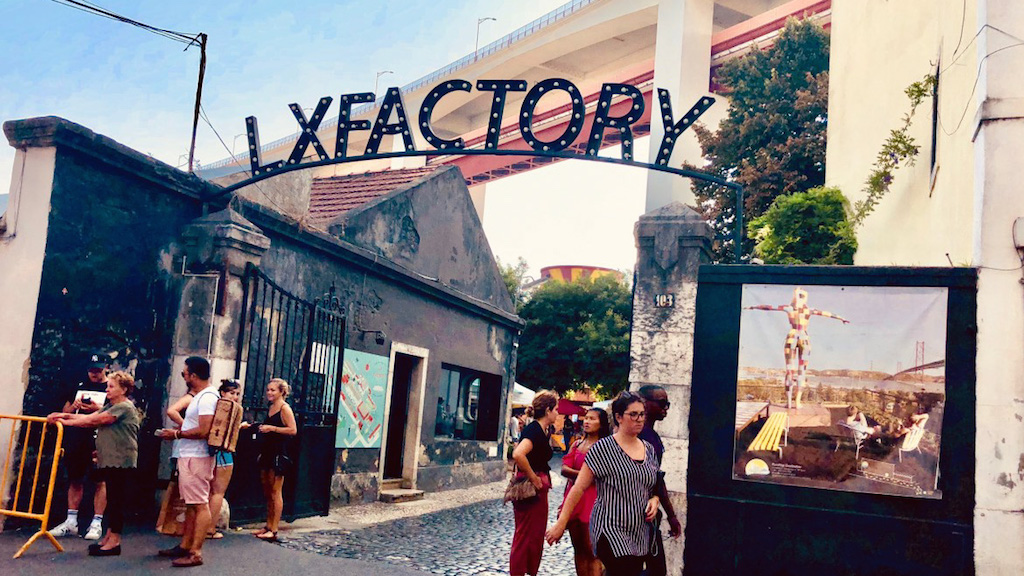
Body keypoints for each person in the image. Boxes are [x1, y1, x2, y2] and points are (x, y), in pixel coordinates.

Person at [546, 391, 661, 576]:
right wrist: (561, 523)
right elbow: (578, 487)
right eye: (633, 414)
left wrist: (654, 500)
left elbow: (652, 486)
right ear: (618, 417)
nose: (639, 419)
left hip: (639, 531)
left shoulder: (648, 449)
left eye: (642, 414)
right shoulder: (603, 449)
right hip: (611, 529)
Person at [48, 371, 139, 556]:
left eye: (112, 386)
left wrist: (64, 421)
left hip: (120, 458)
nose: (107, 389)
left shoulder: (124, 407)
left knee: (116, 500)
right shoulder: (110, 405)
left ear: (124, 389)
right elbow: (86, 416)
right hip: (110, 457)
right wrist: (62, 416)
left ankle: (114, 541)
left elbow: (93, 420)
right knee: (114, 498)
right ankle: (108, 537)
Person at [156, 356, 219, 567]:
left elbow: (204, 430)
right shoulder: (202, 396)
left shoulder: (207, 397)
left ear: (193, 375)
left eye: (184, 373)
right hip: (191, 455)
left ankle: (196, 551)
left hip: (196, 456)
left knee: (199, 504)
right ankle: (186, 545)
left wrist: (175, 434)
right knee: (192, 504)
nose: (184, 377)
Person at [51, 353, 110, 540]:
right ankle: (71, 521)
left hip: (99, 438)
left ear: (106, 368)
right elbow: (64, 412)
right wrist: (74, 406)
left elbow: (116, 413)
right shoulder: (78, 386)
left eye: (98, 369)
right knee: (75, 478)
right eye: (91, 369)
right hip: (77, 438)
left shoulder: (111, 388)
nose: (94, 373)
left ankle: (97, 521)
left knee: (100, 480)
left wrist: (96, 410)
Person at [509, 389, 559, 576]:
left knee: (534, 535)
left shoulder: (541, 430)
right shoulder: (534, 430)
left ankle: (529, 571)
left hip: (537, 489)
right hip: (531, 489)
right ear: (548, 410)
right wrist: (534, 477)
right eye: (556, 409)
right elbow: (518, 454)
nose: (557, 413)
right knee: (524, 535)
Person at [637, 385, 683, 576]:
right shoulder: (642, 436)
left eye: (668, 404)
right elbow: (656, 480)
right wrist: (671, 515)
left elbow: (657, 478)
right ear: (645, 404)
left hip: (649, 513)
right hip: (639, 514)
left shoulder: (652, 436)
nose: (666, 408)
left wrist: (669, 513)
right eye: (661, 403)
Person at [559, 407, 610, 576]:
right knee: (578, 548)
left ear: (601, 423)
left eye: (592, 419)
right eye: (586, 418)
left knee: (593, 552)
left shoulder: (605, 448)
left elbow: (601, 475)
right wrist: (584, 475)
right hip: (575, 500)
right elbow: (564, 468)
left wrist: (580, 476)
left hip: (593, 501)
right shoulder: (577, 444)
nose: (587, 421)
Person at [253, 378, 297, 542]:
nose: (269, 393)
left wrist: (272, 428)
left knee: (275, 491)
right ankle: (267, 524)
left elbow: (293, 430)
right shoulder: (271, 407)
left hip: (279, 453)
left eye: (273, 390)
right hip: (267, 451)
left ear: (281, 392)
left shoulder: (285, 409)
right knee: (267, 491)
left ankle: (274, 528)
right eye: (268, 390)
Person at [208, 379, 247, 540]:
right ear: (223, 393)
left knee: (209, 491)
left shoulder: (213, 405)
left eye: (237, 394)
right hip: (224, 452)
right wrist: (240, 427)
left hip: (210, 451)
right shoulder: (230, 409)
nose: (235, 397)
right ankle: (210, 528)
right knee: (218, 492)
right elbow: (225, 432)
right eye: (232, 393)